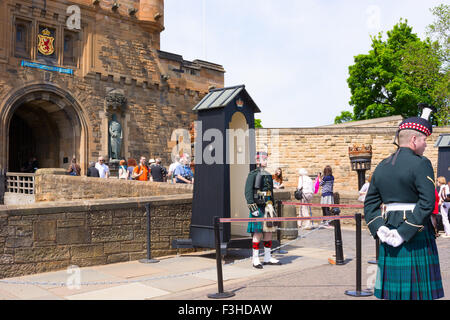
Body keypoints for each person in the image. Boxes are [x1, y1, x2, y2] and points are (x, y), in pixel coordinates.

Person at [364, 103, 444, 300]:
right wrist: (404, 233)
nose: (426, 144)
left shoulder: (382, 165)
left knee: (394, 294)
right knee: (418, 294)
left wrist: (380, 229)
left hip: (388, 231)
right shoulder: (421, 163)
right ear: (414, 139)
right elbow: (426, 202)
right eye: (425, 139)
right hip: (415, 233)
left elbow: (370, 204)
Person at [245, 151, 281, 269]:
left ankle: (267, 256)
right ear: (257, 161)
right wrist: (252, 206)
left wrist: (272, 206)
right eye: (263, 159)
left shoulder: (268, 175)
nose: (265, 161)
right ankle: (255, 259)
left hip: (268, 206)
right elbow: (248, 192)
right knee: (258, 232)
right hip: (258, 206)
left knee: (269, 231)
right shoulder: (252, 174)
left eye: (266, 159)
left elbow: (271, 192)